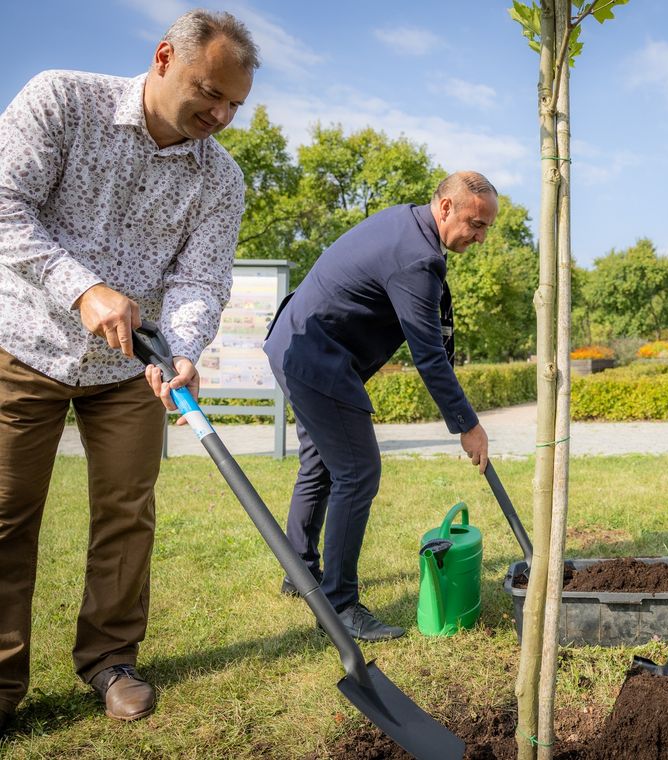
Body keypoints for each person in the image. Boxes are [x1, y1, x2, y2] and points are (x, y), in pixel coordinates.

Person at [0, 11, 258, 731]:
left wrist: (180, 350)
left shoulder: (220, 178)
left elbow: (201, 279)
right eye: (209, 92)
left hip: (129, 368)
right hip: (21, 344)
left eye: (234, 105)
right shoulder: (60, 101)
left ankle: (111, 660)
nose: (219, 114)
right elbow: (4, 206)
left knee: (126, 514)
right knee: (6, 516)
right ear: (163, 56)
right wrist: (82, 288)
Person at [263, 171, 498, 642]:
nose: (479, 236)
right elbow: (428, 355)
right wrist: (467, 424)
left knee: (321, 465)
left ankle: (299, 572)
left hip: (295, 345)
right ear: (446, 207)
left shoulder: (405, 224)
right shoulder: (416, 258)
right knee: (357, 472)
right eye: (475, 224)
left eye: (486, 228)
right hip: (317, 359)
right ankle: (341, 604)